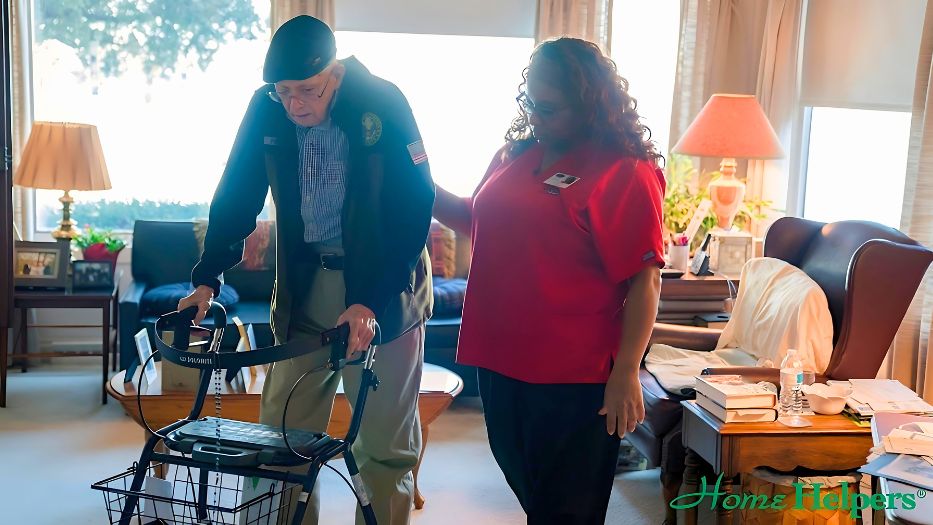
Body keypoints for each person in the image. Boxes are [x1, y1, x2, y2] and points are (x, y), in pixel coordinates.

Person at [177, 15, 435, 525]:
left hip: (385, 287)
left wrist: (371, 300)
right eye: (284, 92)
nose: (295, 104)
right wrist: (208, 276)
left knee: (384, 444)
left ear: (334, 76)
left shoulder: (383, 102)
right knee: (280, 437)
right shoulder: (266, 110)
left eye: (308, 91)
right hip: (305, 285)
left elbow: (413, 208)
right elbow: (236, 193)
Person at [432, 38, 664, 524]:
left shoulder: (624, 171)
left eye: (549, 108)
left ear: (589, 106)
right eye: (529, 102)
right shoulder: (513, 155)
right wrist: (418, 184)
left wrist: (625, 372)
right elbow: (479, 222)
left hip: (574, 376)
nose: (536, 116)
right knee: (537, 498)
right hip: (498, 359)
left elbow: (644, 283)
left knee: (567, 511)